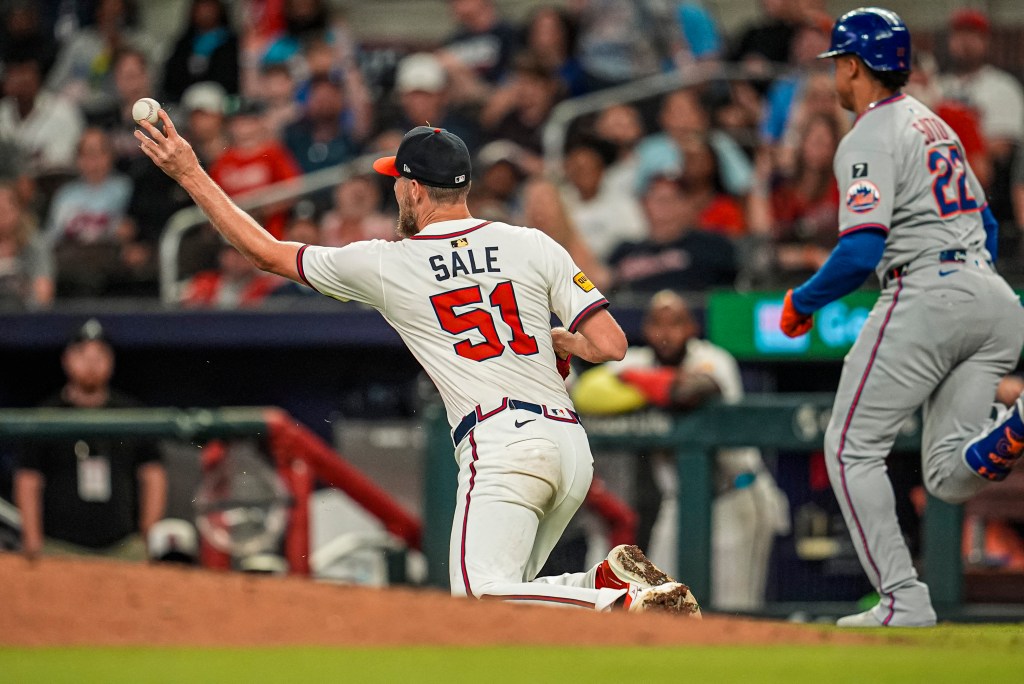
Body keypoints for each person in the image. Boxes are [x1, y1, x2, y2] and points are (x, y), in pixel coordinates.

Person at [135, 110, 701, 615]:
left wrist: (189, 173)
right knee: (515, 611)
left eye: (396, 184)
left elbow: (264, 252)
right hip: (570, 448)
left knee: (479, 598)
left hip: (503, 441)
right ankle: (603, 578)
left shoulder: (391, 263)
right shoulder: (532, 243)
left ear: (412, 190)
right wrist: (565, 342)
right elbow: (611, 344)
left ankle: (616, 600)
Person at [779, 9, 1024, 627]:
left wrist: (802, 300)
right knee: (946, 474)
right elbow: (989, 223)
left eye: (838, 63)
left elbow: (862, 249)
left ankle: (903, 599)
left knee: (848, 447)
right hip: (993, 297)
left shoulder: (868, 134)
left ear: (855, 66)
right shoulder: (936, 124)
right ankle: (1018, 419)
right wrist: (970, 288)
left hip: (926, 289)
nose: (835, 74)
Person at [572, 291, 790, 610]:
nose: (666, 333)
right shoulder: (637, 360)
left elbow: (692, 391)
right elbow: (586, 391)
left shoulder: (713, 358)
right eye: (658, 324)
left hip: (736, 496)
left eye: (675, 323)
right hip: (678, 502)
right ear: (646, 330)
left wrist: (639, 384)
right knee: (658, 599)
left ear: (691, 328)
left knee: (735, 605)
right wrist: (642, 379)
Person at [14, 319, 167, 561]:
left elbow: (153, 473)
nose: (91, 363)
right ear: (66, 359)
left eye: (100, 355)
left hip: (122, 547)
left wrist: (149, 532)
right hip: (59, 547)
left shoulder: (132, 414)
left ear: (112, 361)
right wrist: (32, 541)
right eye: (82, 354)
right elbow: (28, 480)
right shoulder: (46, 416)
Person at [0, 181, 54, 309]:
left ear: (18, 211)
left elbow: (43, 294)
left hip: (23, 317)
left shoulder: (35, 245)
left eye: (4, 211)